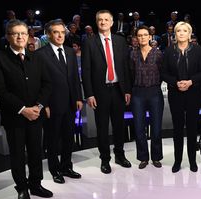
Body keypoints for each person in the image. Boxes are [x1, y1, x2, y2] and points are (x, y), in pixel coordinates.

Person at [0, 19, 53, 199]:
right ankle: (22, 188)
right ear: (8, 36)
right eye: (15, 33)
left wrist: (39, 107)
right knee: (17, 154)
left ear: (28, 36)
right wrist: (23, 109)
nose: (20, 37)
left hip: (36, 115)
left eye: (23, 33)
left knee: (35, 151)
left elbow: (47, 84)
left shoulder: (37, 58)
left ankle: (36, 184)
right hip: (14, 117)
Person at [82, 10, 132, 174]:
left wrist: (127, 90)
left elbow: (125, 67)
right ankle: (105, 159)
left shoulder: (120, 40)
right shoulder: (89, 42)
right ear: (97, 23)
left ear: (111, 22)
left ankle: (120, 155)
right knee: (102, 127)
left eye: (106, 20)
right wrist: (89, 93)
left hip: (118, 89)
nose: (103, 22)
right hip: (100, 91)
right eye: (100, 20)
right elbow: (86, 70)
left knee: (119, 125)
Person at [37, 19, 83, 184]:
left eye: (62, 32)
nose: (60, 35)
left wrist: (78, 97)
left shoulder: (70, 52)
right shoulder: (40, 54)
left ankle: (66, 167)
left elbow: (75, 78)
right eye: (56, 32)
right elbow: (39, 83)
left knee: (68, 137)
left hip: (70, 103)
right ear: (48, 34)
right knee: (53, 140)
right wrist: (44, 104)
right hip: (52, 105)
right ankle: (54, 170)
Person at [161, 21, 201, 173]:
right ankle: (177, 161)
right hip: (176, 94)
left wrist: (190, 82)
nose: (181, 33)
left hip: (193, 94)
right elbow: (164, 73)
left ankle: (193, 161)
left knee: (193, 129)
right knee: (177, 129)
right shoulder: (168, 51)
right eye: (178, 30)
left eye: (184, 30)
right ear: (175, 33)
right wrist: (176, 82)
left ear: (189, 33)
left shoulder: (198, 50)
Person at [129, 26, 164, 169]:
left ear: (150, 37)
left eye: (145, 35)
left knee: (156, 128)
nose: (142, 37)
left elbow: (162, 73)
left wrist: (154, 84)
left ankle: (156, 157)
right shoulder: (132, 54)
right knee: (138, 128)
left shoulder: (158, 53)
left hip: (154, 92)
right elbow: (130, 74)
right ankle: (143, 157)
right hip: (137, 93)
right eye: (139, 35)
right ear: (136, 38)